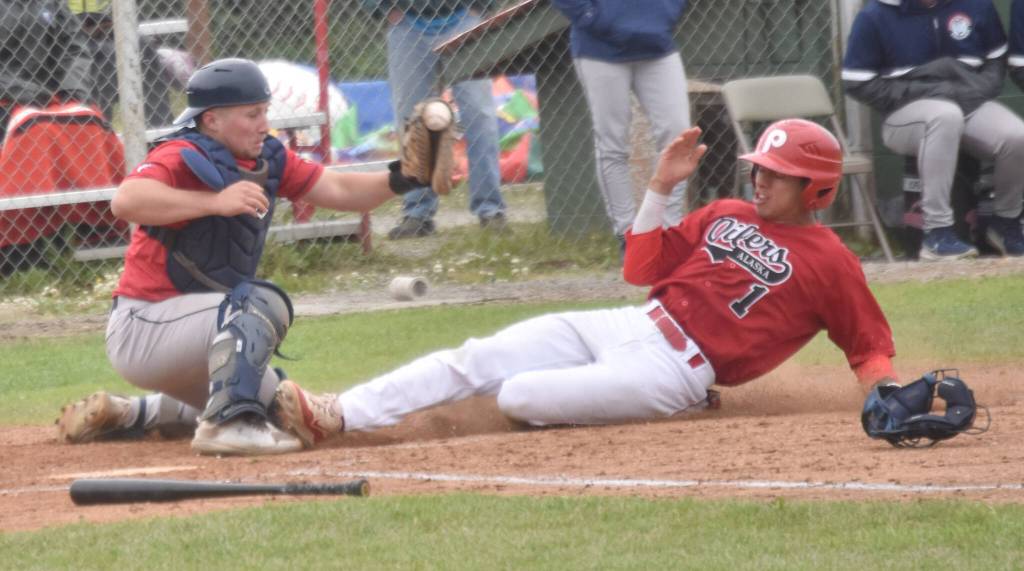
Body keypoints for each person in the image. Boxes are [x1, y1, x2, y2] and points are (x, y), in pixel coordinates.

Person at [270, 120, 900, 452]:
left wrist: (887, 397)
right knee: (478, 356)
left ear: (815, 190)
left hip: (678, 372)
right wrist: (658, 187)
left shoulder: (831, 262)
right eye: (760, 167)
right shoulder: (726, 213)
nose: (761, 180)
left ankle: (678, 406)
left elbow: (867, 345)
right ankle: (339, 414)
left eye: (779, 174)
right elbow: (641, 271)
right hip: (626, 324)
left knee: (517, 397)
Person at [55, 58, 437, 455]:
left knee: (283, 411)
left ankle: (132, 413)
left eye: (264, 112)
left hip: (198, 332)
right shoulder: (183, 153)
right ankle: (228, 426)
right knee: (257, 304)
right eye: (252, 114)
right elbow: (126, 200)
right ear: (212, 120)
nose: (263, 124)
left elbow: (339, 189)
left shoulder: (266, 159)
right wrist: (214, 201)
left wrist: (405, 177)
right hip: (144, 326)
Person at [842, 0, 1024, 260]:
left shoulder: (976, 6)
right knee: (943, 115)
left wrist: (974, 91)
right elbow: (856, 81)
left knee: (1016, 136)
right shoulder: (875, 15)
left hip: (967, 104)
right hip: (904, 115)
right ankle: (936, 232)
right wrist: (925, 92)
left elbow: (995, 62)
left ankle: (1005, 223)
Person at [551, 0, 692, 251]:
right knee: (613, 144)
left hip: (657, 44)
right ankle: (628, 237)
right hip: (600, 48)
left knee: (678, 138)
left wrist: (666, 12)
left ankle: (670, 233)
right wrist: (592, 17)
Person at [361, 0, 508, 239]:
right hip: (407, 20)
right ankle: (417, 213)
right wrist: (385, 9)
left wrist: (481, 6)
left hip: (464, 16)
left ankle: (490, 210)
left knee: (479, 114)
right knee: (414, 119)